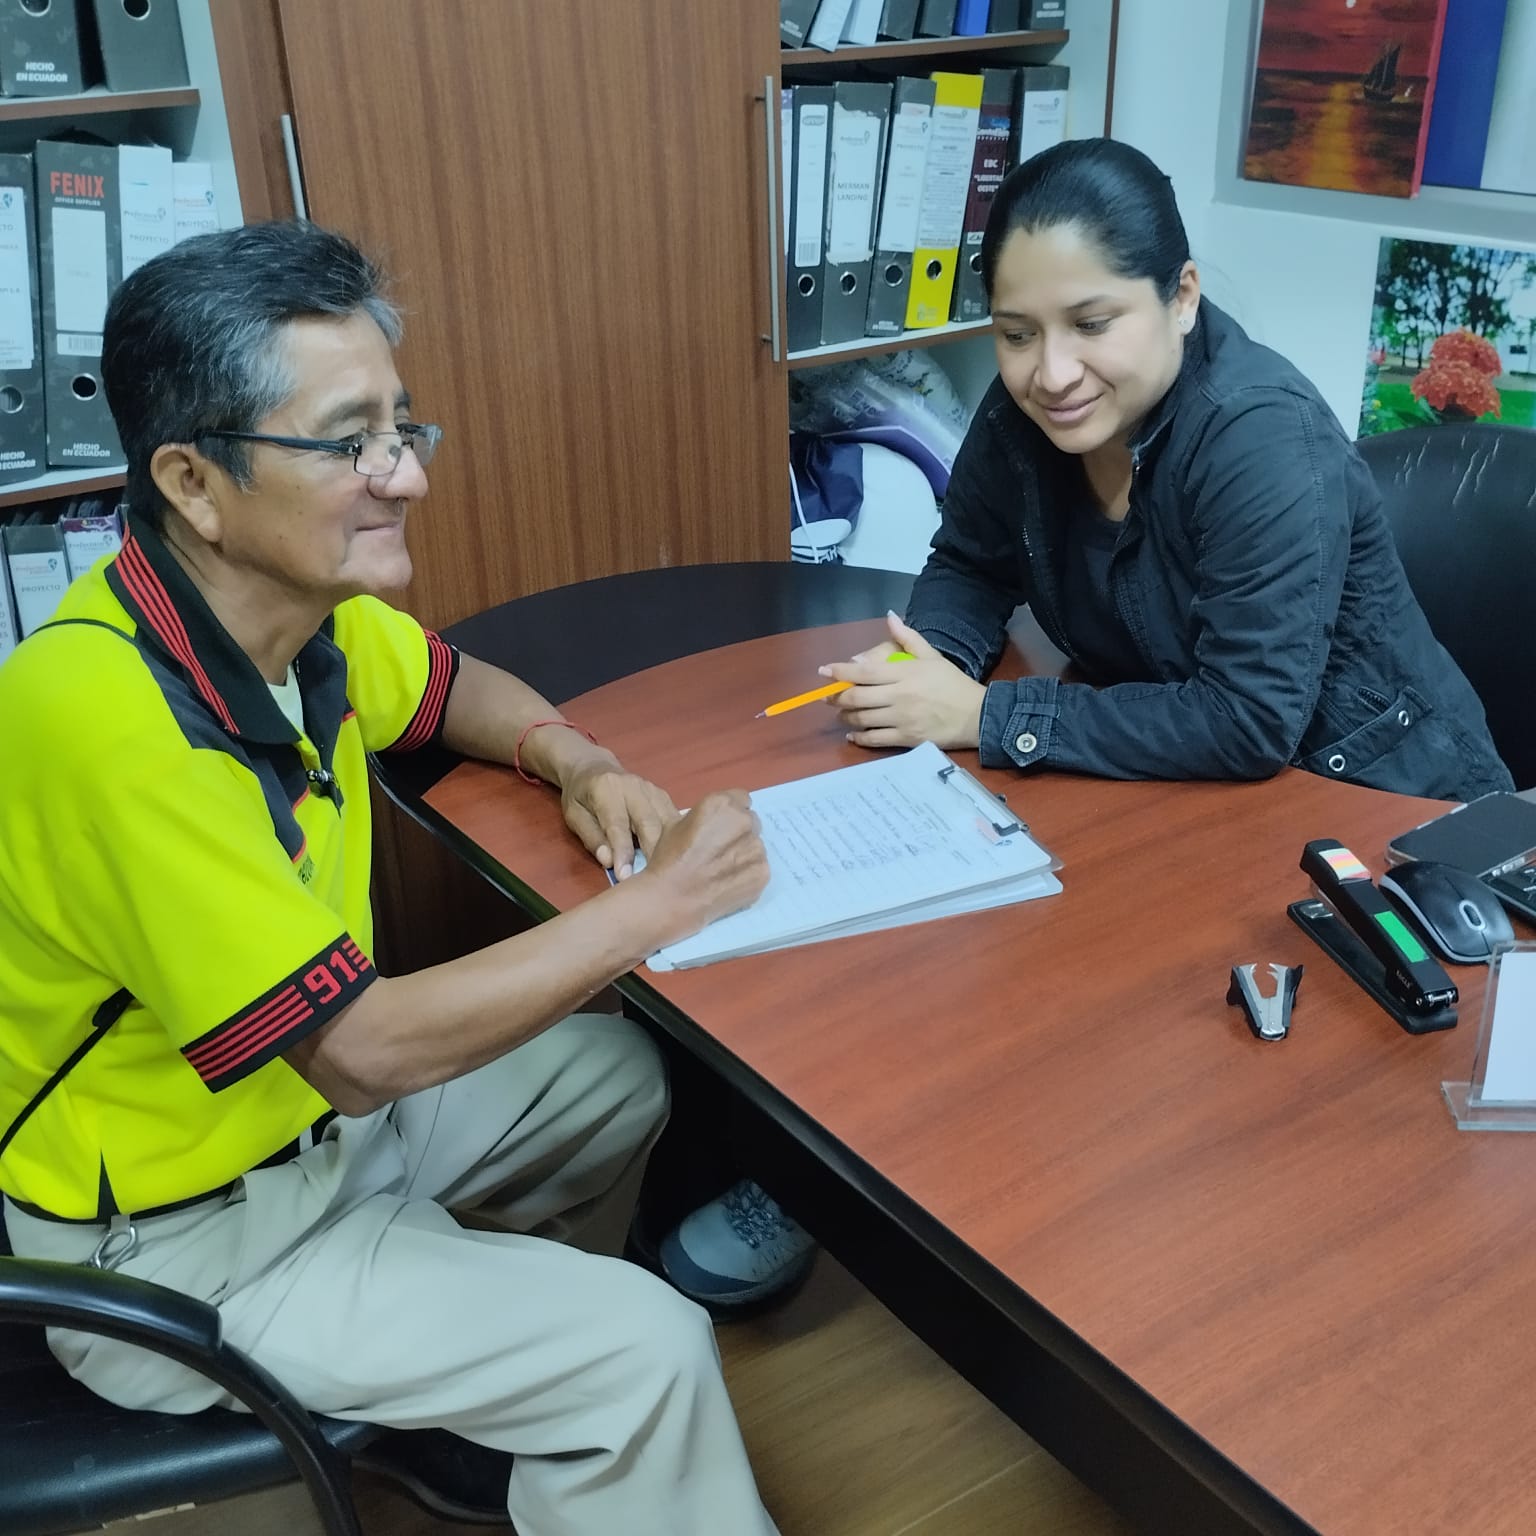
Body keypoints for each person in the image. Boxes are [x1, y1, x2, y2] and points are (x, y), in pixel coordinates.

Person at [0, 221, 783, 1536]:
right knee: (644, 1349)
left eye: (401, 430)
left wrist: (575, 758)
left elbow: (452, 687)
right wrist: (665, 904)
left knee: (614, 1081)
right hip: (184, 1258)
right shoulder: (102, 722)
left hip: (316, 1146)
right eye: (349, 443)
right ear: (194, 481)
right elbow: (360, 1052)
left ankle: (485, 1424)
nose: (405, 476)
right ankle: (560, 1397)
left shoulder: (293, 618)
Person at [817, 138, 1512, 804]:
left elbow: (1247, 719)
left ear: (1181, 297)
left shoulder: (1261, 437)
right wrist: (928, 669)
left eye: (1092, 324)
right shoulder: (1025, 413)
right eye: (1017, 333)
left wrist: (982, 715)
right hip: (1194, 790)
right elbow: (971, 563)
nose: (1052, 374)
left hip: (1392, 802)